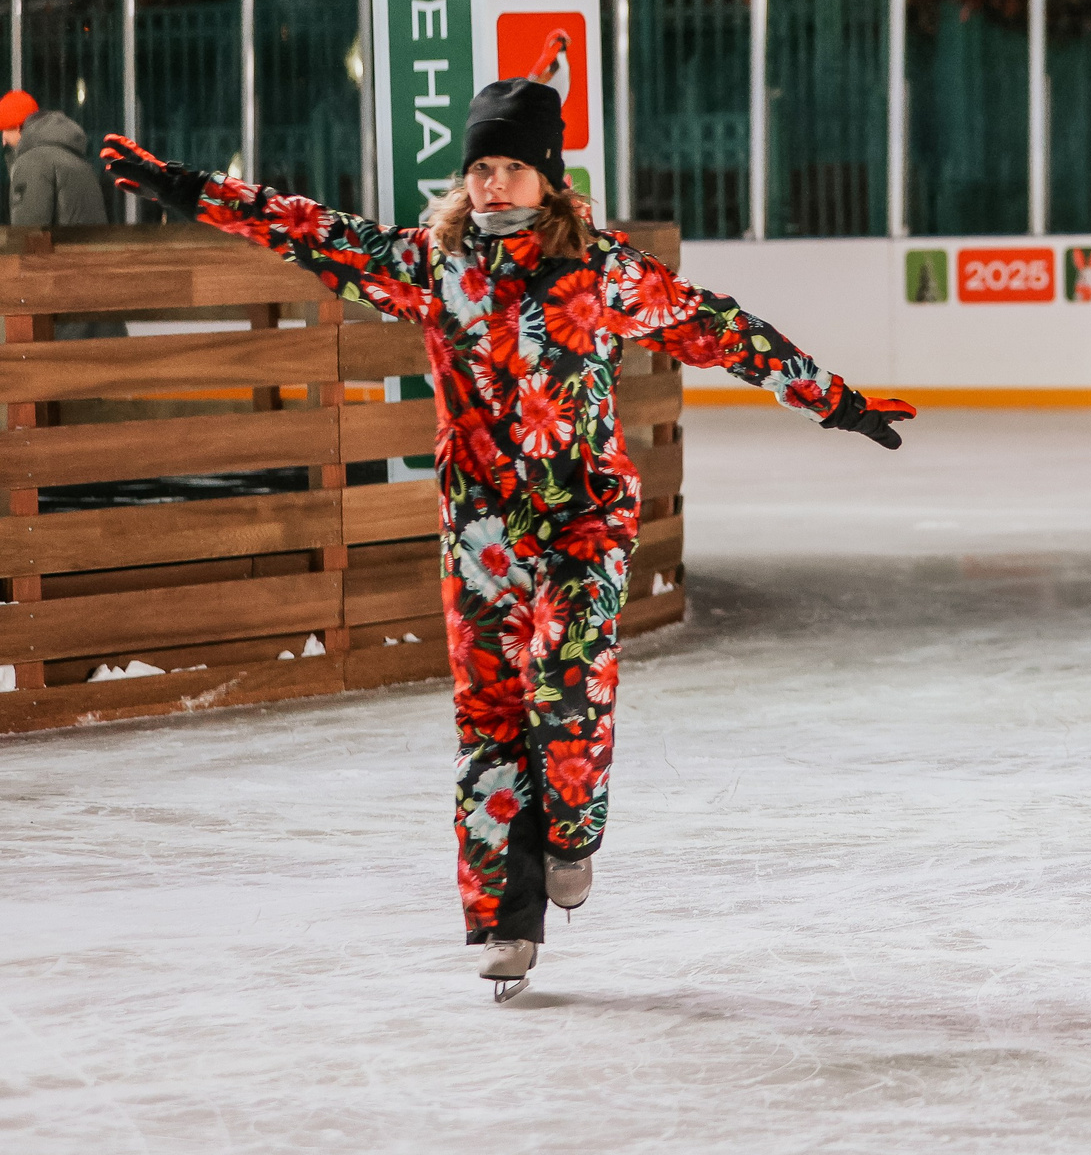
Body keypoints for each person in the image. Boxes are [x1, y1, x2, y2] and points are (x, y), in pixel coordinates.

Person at [99, 81, 916, 1001]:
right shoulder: (432, 264)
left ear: (548, 181)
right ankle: (505, 919)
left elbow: (719, 328)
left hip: (582, 519)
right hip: (481, 533)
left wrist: (831, 397)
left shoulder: (600, 272)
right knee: (490, 720)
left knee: (566, 691)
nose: (492, 185)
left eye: (511, 169)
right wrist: (186, 189)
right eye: (481, 168)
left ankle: (571, 834)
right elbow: (309, 228)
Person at [3, 90, 110, 227]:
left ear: (17, 128)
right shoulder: (79, 160)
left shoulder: (32, 162)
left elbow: (27, 232)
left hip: (60, 248)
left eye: (4, 130)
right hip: (92, 247)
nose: (4, 141)